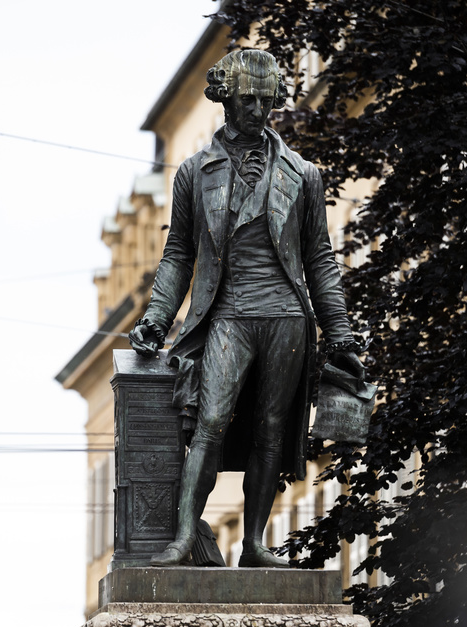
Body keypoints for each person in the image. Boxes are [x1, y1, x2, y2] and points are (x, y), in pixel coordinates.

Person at [129, 48, 362, 568]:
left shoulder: (303, 174)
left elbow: (321, 260)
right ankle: (185, 536)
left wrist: (340, 333)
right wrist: (155, 320)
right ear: (227, 99)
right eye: (247, 99)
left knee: (272, 428)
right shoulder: (195, 172)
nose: (258, 110)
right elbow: (178, 256)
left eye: (266, 100)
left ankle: (255, 544)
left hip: (287, 315)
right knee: (209, 421)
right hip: (228, 313)